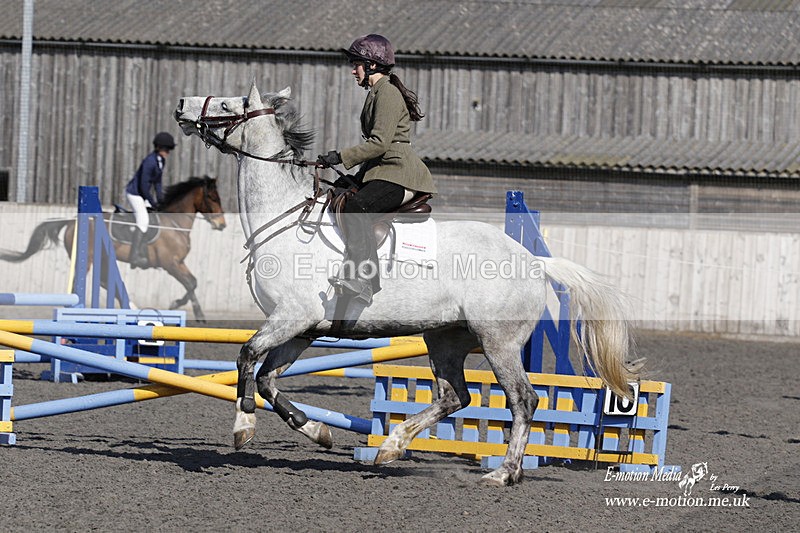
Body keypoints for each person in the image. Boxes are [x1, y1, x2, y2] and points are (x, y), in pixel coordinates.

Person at [317, 34, 437, 305]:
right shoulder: (376, 93)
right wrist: (352, 176)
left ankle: (364, 281)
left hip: (400, 174)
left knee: (357, 207)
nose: (353, 70)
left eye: (356, 64)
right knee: (341, 194)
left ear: (371, 65)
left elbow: (380, 143)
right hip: (382, 171)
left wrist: (341, 156)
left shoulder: (387, 94)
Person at [125, 131, 175, 269]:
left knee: (154, 217)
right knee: (143, 220)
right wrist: (153, 202)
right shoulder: (149, 161)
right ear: (158, 148)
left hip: (144, 194)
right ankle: (134, 256)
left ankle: (144, 251)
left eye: (169, 149)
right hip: (135, 193)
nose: (167, 152)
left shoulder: (160, 161)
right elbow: (143, 185)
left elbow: (157, 183)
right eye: (165, 149)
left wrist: (161, 201)